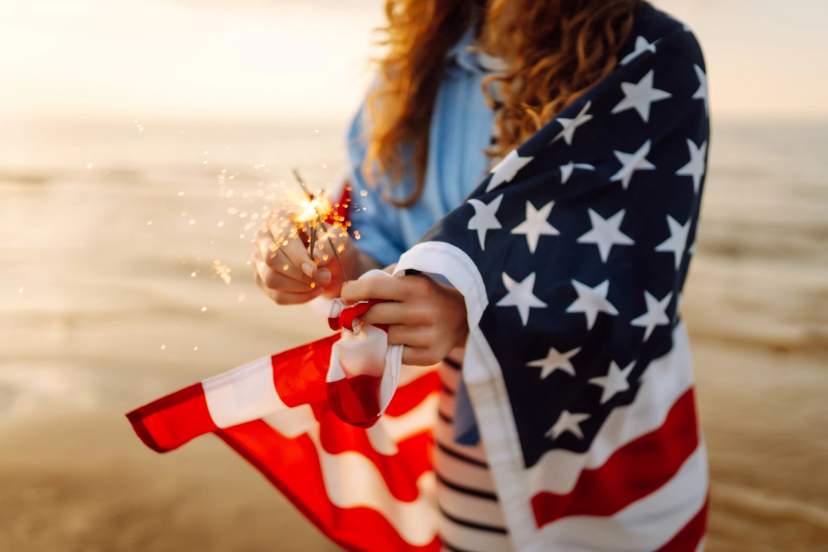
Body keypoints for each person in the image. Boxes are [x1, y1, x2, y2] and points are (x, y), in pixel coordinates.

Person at [254, 1, 708, 549]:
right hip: (468, 452)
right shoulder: (413, 68)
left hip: (606, 458)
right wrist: (334, 266)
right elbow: (383, 243)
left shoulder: (652, 55)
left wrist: (461, 306)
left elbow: (632, 276)